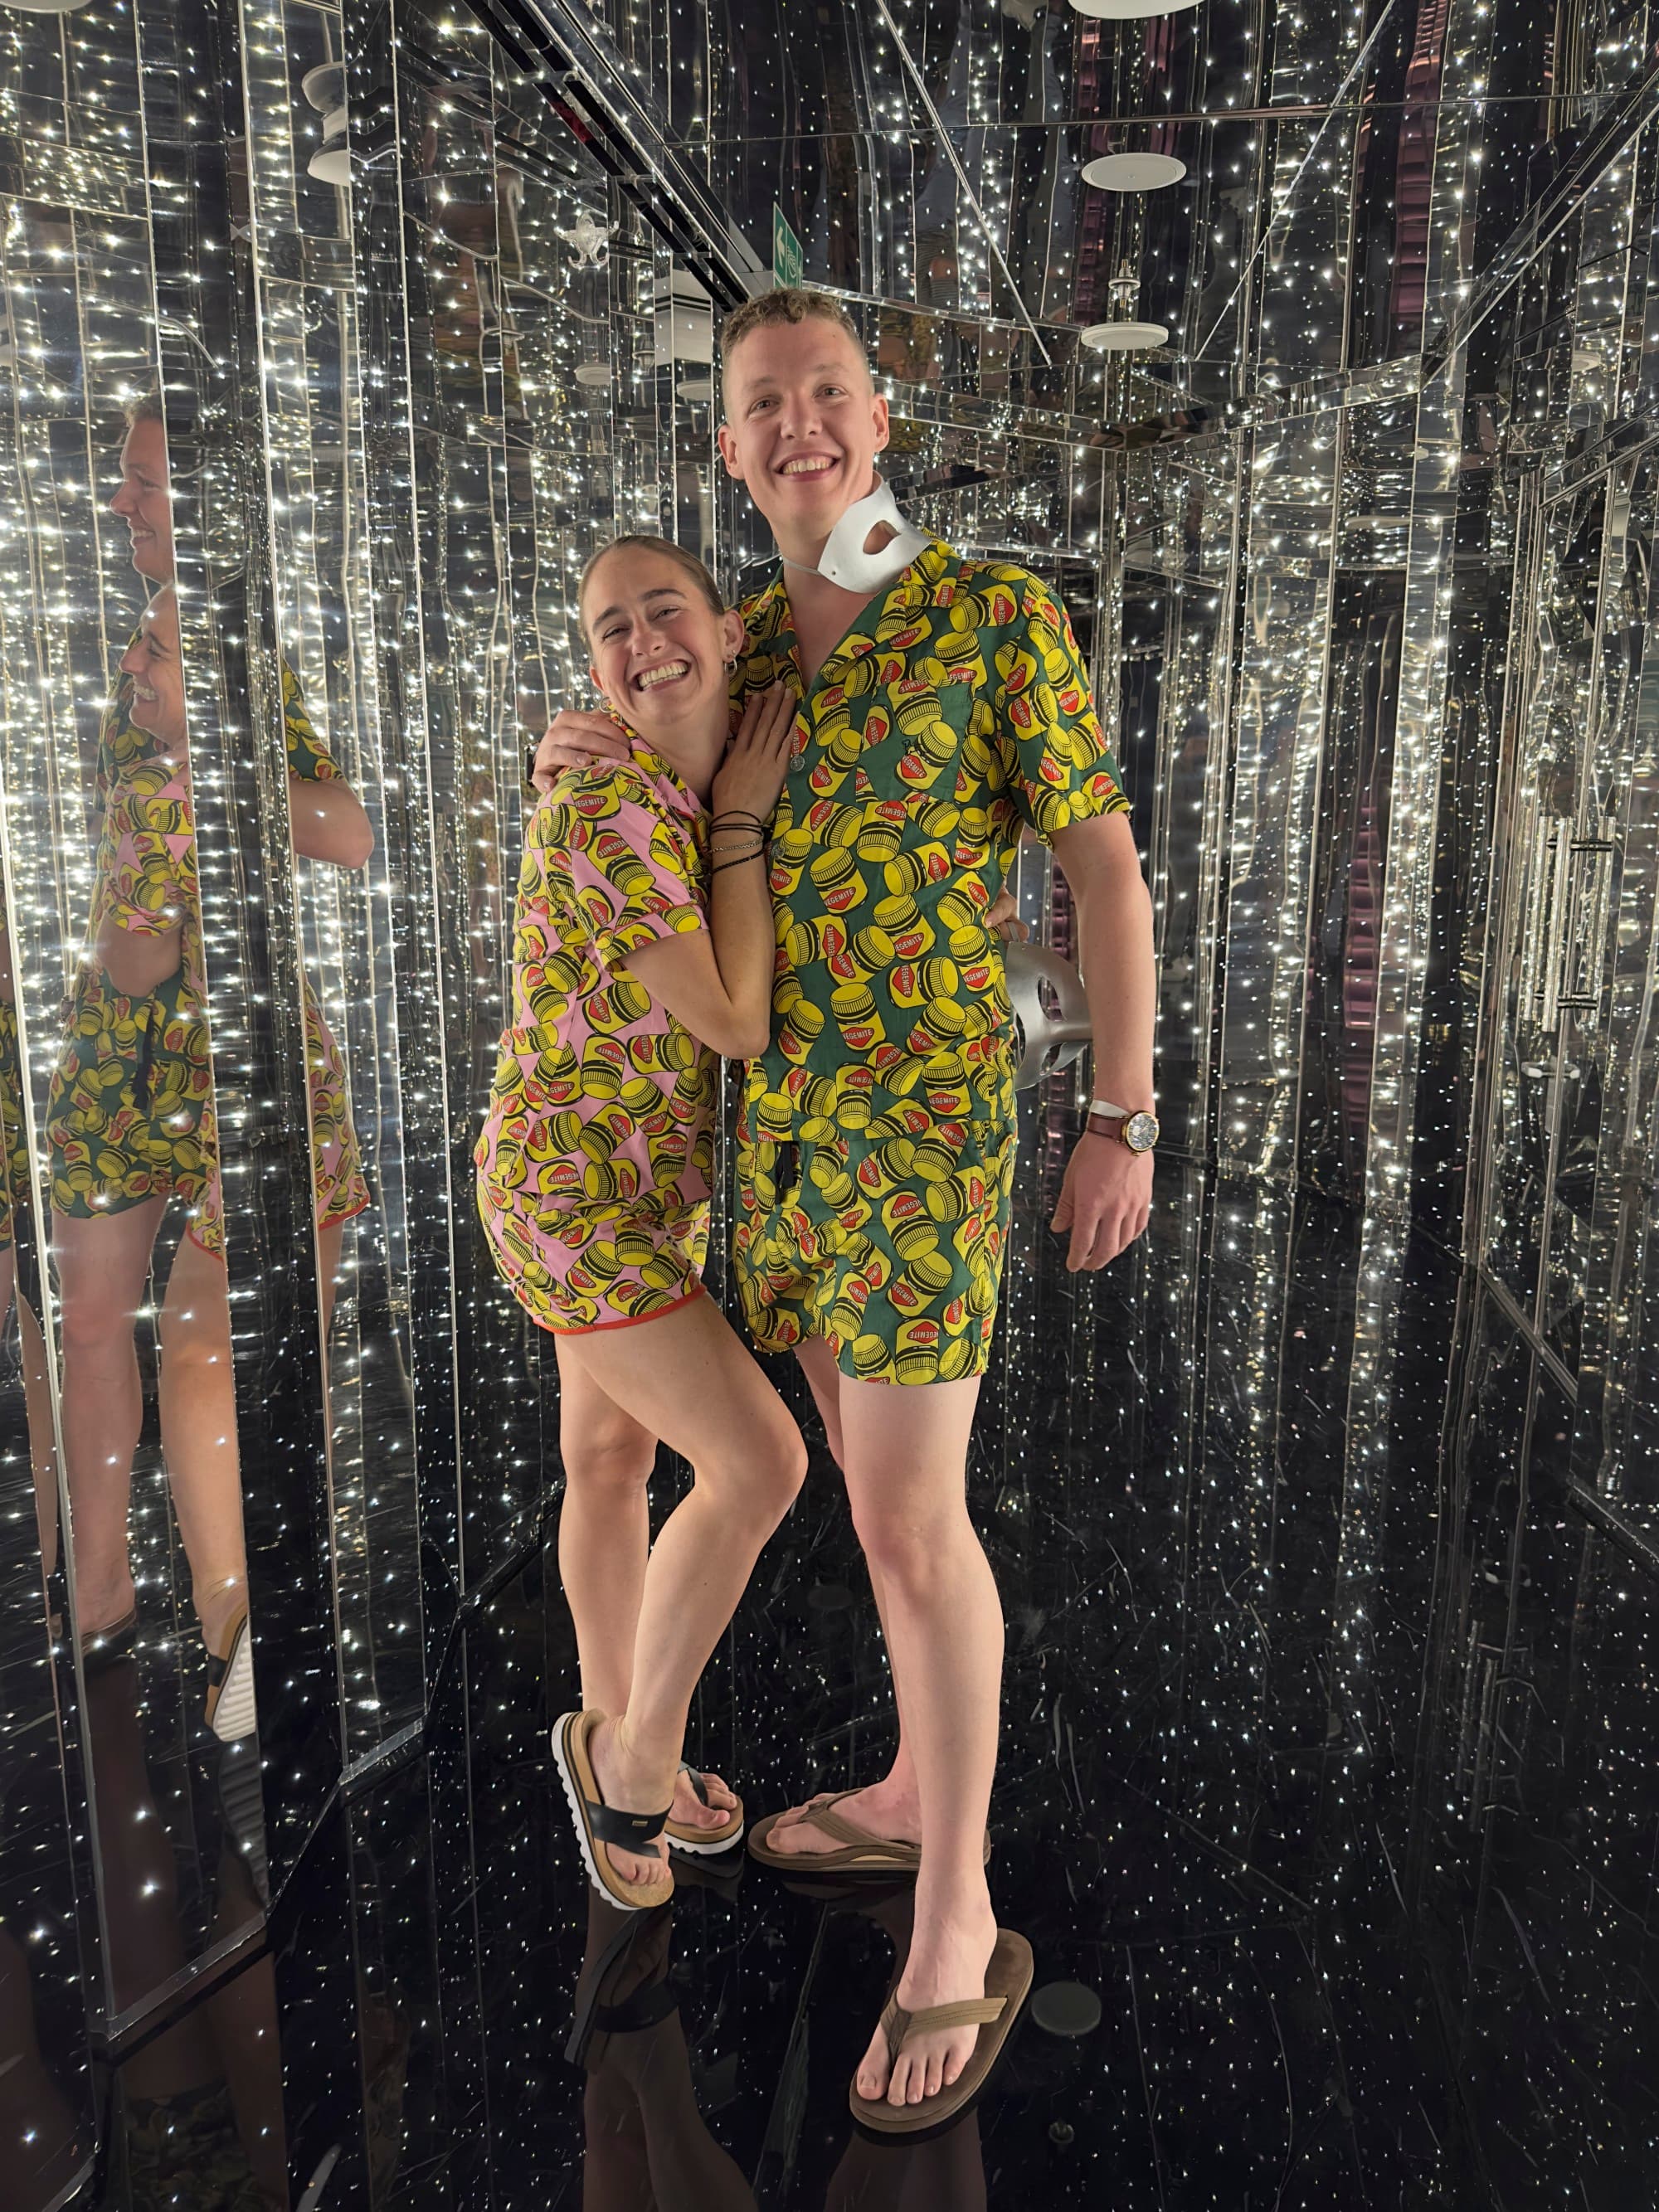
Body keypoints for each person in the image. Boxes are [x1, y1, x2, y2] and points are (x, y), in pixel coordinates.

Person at [532, 288, 1158, 2127]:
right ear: (731, 451)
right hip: (774, 1142)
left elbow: (1101, 866)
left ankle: (955, 1915)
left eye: (827, 396)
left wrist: (1118, 1108)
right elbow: (648, 752)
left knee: (902, 1520)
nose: (798, 428)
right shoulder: (740, 645)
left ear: (877, 421)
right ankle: (902, 1788)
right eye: (762, 407)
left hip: (923, 1137)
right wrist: (571, 750)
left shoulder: (986, 616)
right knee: (864, 1502)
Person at [477, 535, 807, 1910]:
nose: (642, 643)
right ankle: (637, 1767)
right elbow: (734, 1020)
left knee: (609, 1463)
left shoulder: (643, 775)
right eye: (610, 628)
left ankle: (609, 1726)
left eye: (664, 611)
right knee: (759, 1466)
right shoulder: (612, 806)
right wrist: (739, 817)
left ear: (730, 633)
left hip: (623, 1189)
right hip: (572, 1198)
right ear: (593, 667)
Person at [46, 392, 373, 1739]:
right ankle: (101, 1600)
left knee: (203, 1342)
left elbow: (347, 831)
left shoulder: (239, 642)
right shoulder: (131, 632)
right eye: (119, 483)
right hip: (118, 1044)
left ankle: (242, 1620)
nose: (119, 504)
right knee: (84, 1324)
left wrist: (208, 745)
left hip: (232, 1041)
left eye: (138, 482)